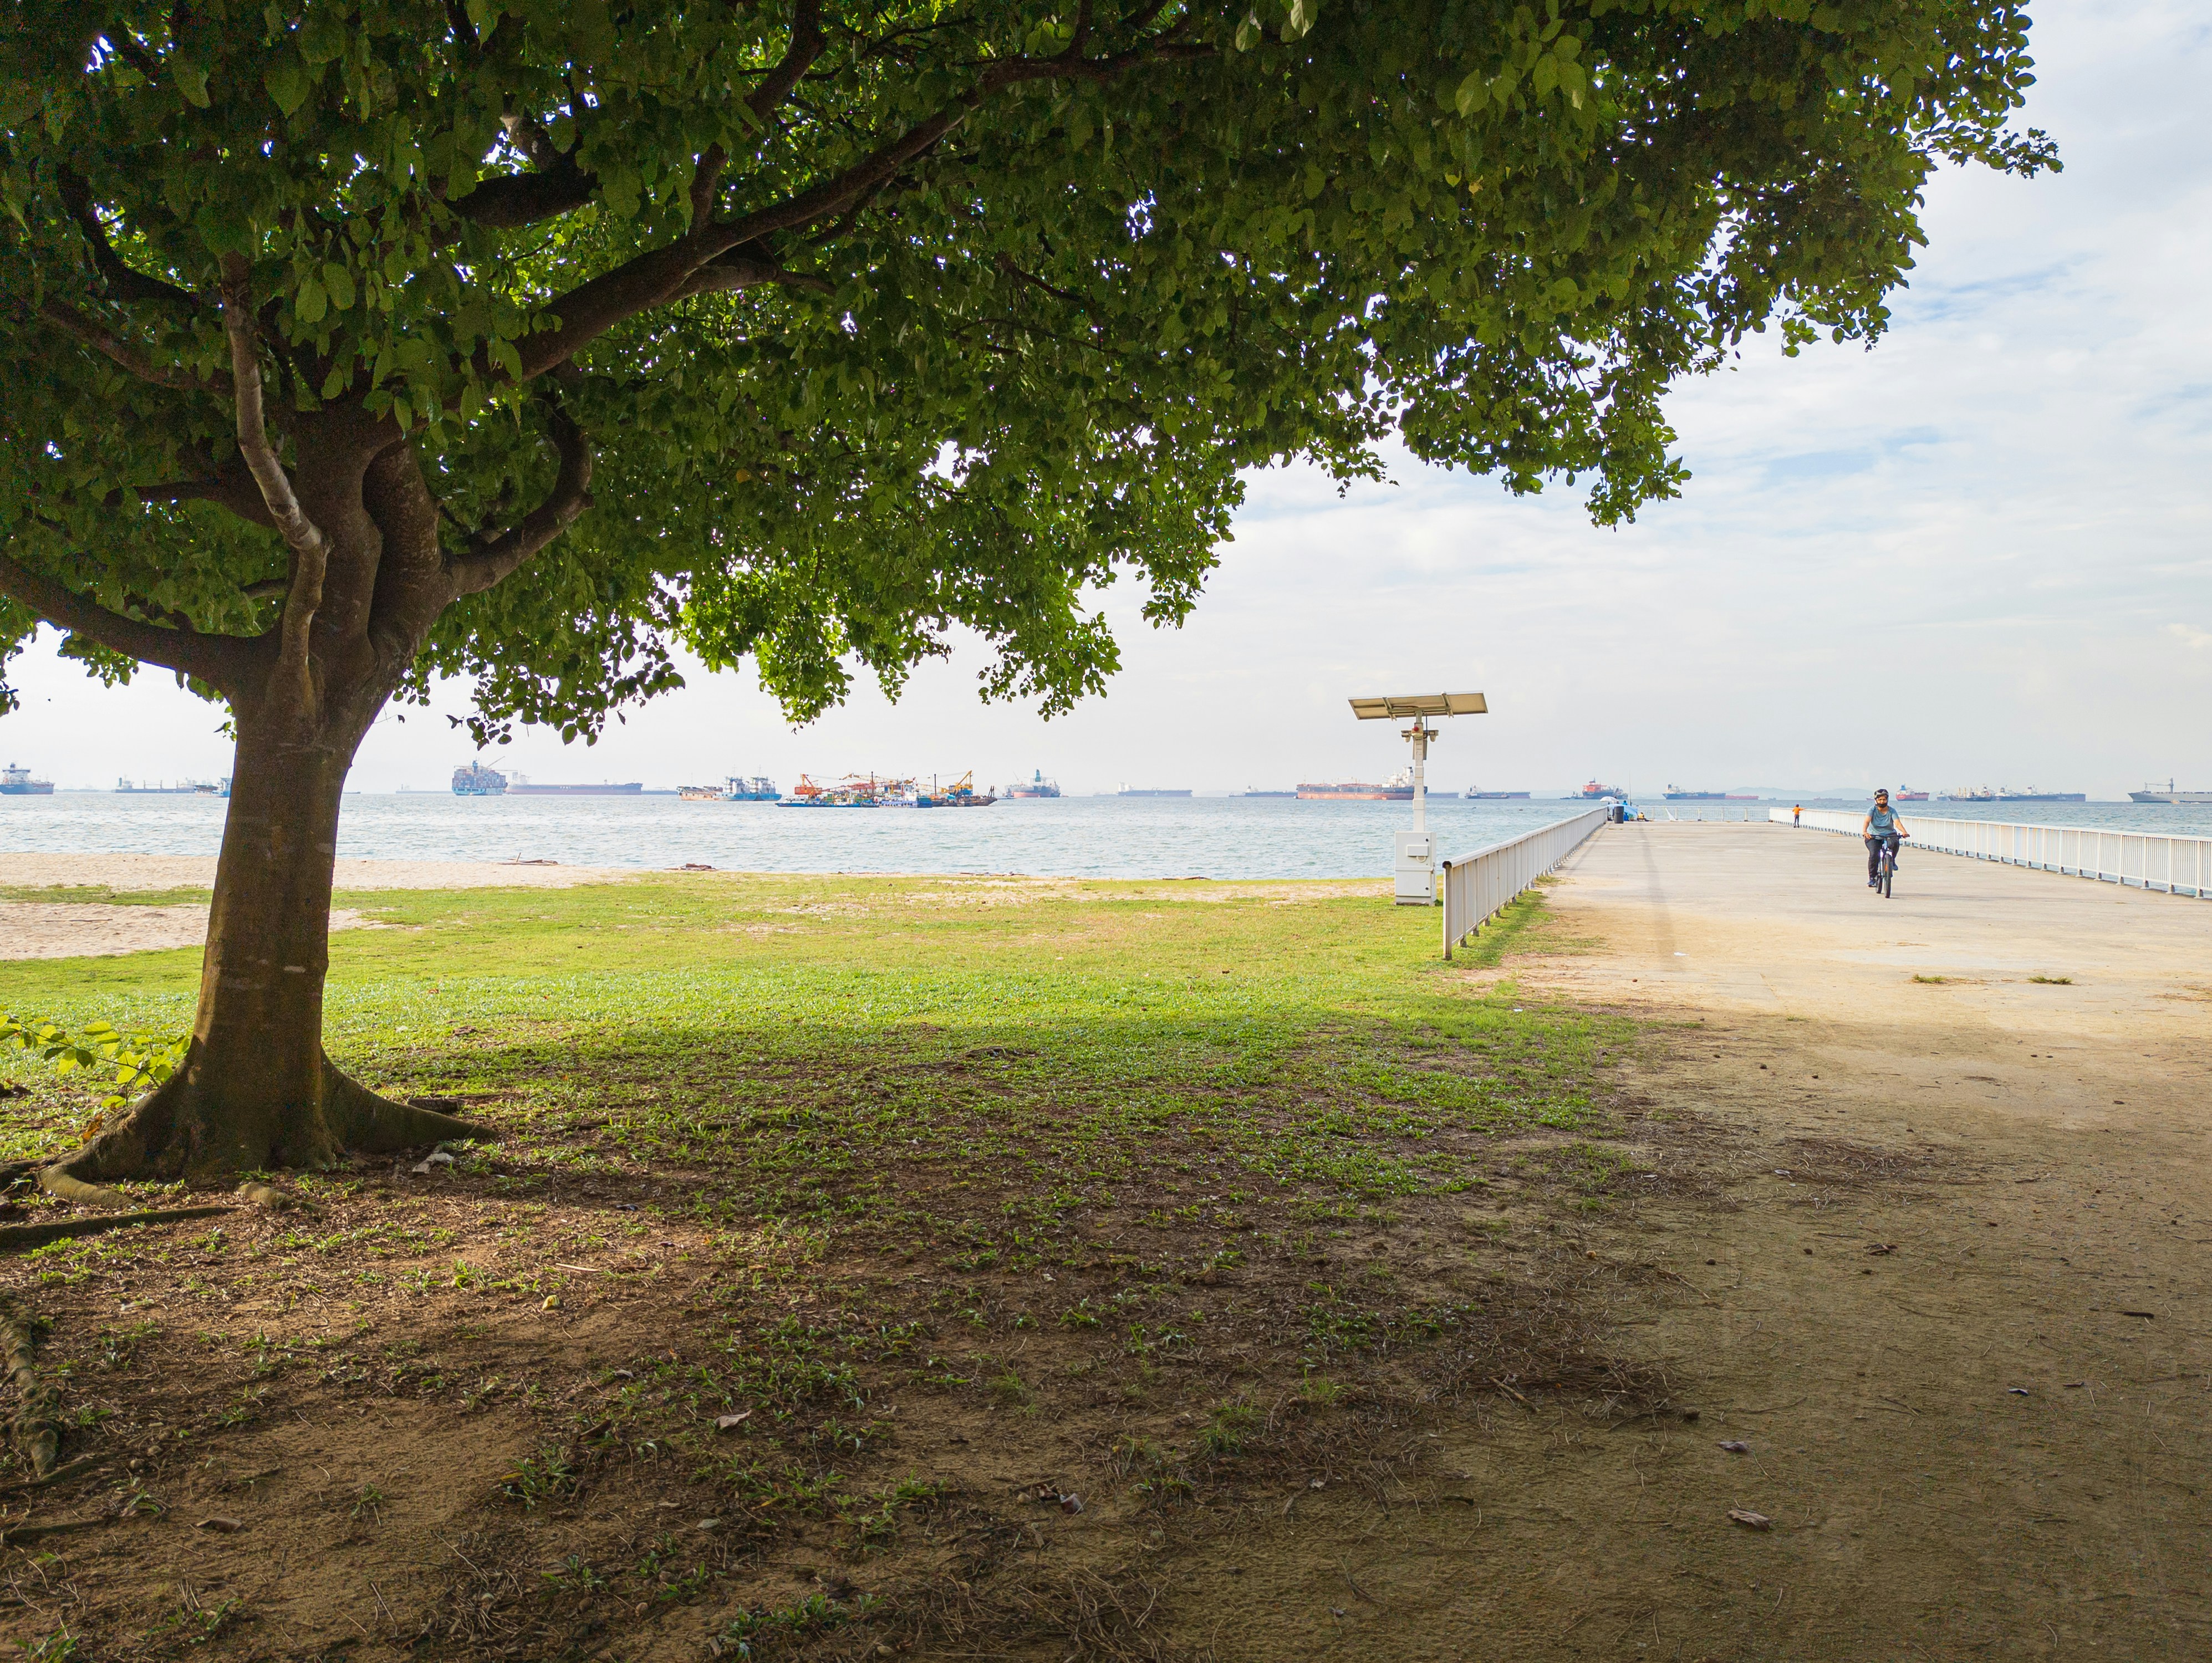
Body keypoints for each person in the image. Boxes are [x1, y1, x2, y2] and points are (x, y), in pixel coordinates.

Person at [1861, 789, 1908, 886]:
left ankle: (1892, 861)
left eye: (1884, 799)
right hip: (1874, 836)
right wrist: (1865, 832)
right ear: (1876, 800)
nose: (1882, 802)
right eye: (1880, 800)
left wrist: (1904, 832)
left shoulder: (1892, 811)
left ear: (1887, 800)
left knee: (1895, 843)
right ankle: (1872, 878)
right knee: (1874, 854)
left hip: (1889, 834)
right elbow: (1867, 821)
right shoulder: (1872, 810)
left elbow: (1897, 823)